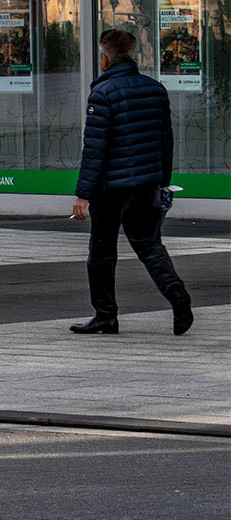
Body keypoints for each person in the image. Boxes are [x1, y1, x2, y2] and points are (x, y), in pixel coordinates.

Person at [70, 27, 194, 336]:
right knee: (150, 245)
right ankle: (177, 295)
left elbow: (95, 150)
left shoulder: (102, 94)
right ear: (132, 53)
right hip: (147, 185)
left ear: (104, 59)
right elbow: (166, 140)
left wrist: (83, 195)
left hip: (111, 189)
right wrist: (162, 180)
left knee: (101, 251)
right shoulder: (155, 89)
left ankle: (105, 314)